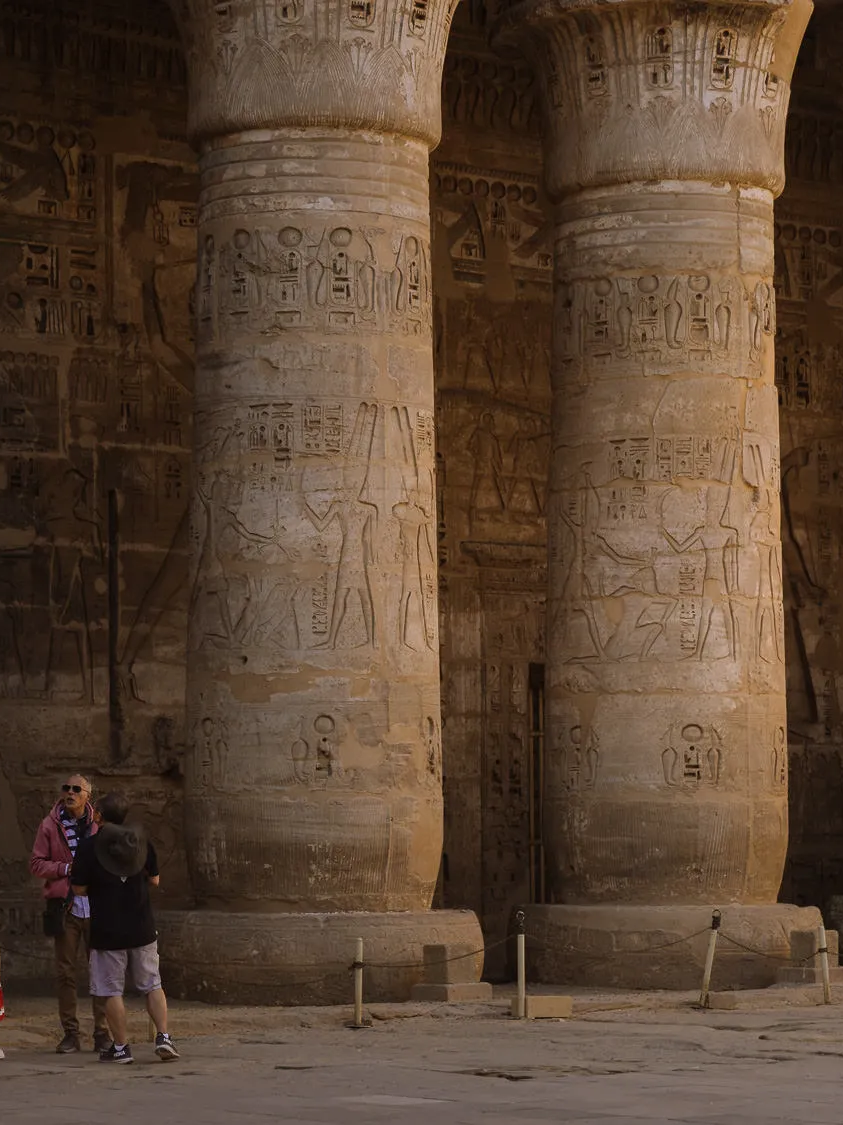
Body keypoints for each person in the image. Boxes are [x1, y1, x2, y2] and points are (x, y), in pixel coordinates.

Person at [71, 792, 179, 1065]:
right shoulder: (141, 841)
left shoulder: (89, 847)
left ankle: (121, 1048)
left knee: (111, 990)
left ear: (98, 816)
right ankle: (164, 1037)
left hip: (107, 928)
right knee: (152, 984)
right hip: (141, 924)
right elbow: (155, 880)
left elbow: (78, 888)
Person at [29, 775, 111, 1054]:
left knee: (101, 969)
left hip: (97, 906)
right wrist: (66, 869)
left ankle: (102, 1032)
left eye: (77, 789)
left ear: (88, 795)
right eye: (67, 788)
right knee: (65, 972)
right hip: (66, 908)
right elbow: (36, 864)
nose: (70, 793)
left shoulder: (99, 824)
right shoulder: (49, 825)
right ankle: (71, 1033)